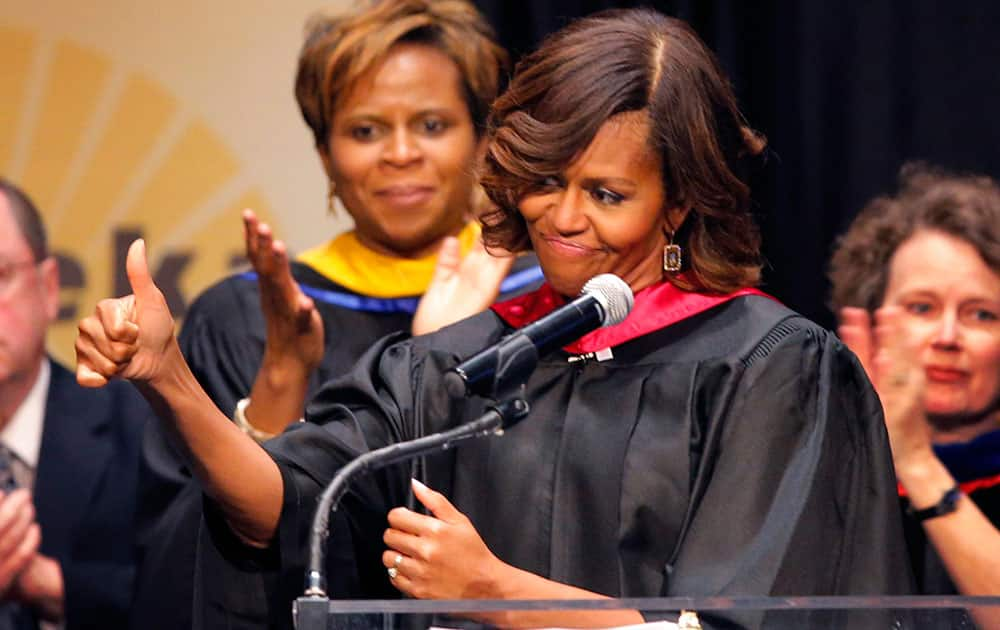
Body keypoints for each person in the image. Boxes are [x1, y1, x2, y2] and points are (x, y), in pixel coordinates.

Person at [78, 8, 912, 629]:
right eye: (546, 180)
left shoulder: (768, 371)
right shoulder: (455, 367)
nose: (563, 218)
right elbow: (287, 510)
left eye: (608, 194)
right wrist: (170, 379)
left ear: (680, 203)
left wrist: (494, 591)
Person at [130, 1, 538, 628]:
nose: (400, 153)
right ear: (324, 154)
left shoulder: (545, 304)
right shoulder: (246, 315)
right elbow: (185, 557)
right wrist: (279, 378)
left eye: (432, 124)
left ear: (481, 139)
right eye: (366, 131)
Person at [830, 164, 1000, 626]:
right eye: (921, 308)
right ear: (868, 320)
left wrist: (917, 462)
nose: (947, 336)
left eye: (981, 314)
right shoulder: (821, 474)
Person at [0, 179, 152, 629]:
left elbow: (181, 599)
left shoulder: (141, 429)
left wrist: (45, 584)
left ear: (48, 288)